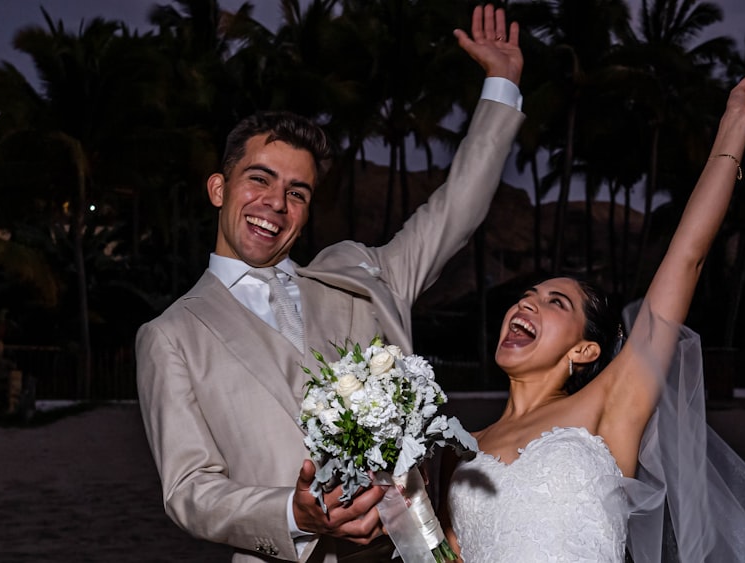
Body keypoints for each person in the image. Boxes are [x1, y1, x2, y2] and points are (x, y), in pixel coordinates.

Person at [135, 5, 524, 562]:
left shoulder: (361, 279)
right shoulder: (170, 335)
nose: (276, 203)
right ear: (219, 188)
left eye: (298, 191)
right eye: (259, 179)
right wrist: (294, 515)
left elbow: (455, 210)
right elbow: (189, 490)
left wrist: (501, 84)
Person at [440, 68, 745, 562]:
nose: (527, 302)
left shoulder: (611, 402)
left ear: (585, 349)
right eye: (528, 294)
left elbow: (687, 255)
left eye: (555, 301)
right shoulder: (460, 447)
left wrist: (735, 126)